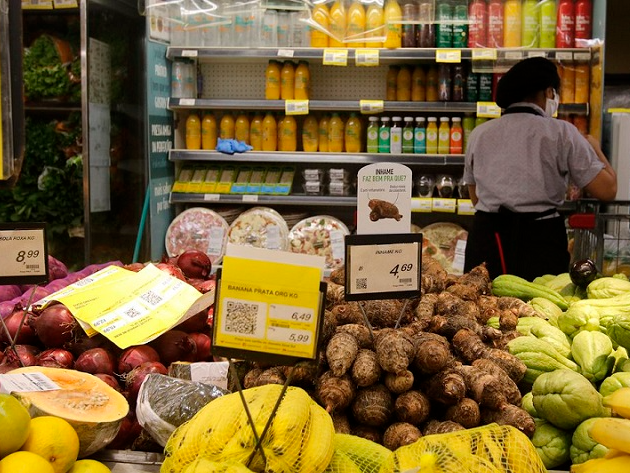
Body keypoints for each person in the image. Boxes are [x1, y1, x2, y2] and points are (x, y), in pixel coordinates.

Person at [463, 56, 617, 281]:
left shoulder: (480, 133)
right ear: (547, 92)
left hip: (488, 236)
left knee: (481, 306)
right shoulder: (561, 132)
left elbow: (474, 196)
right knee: (541, 309)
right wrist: (595, 148)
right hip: (541, 238)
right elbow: (608, 190)